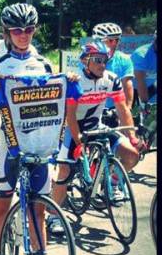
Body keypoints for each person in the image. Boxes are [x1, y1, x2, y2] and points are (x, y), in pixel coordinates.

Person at [0, 3, 81, 255]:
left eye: (28, 29)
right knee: (1, 206)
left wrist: (72, 80)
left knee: (37, 210)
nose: (23, 35)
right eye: (17, 30)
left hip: (38, 144)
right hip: (9, 145)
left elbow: (58, 99)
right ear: (7, 32)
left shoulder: (44, 63)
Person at [49, 40, 139, 232]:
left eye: (104, 60)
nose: (101, 64)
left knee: (132, 154)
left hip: (96, 125)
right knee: (64, 171)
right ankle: (54, 216)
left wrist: (131, 136)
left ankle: (111, 185)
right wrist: (78, 141)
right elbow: (70, 116)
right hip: (72, 128)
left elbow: (122, 109)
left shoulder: (112, 79)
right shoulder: (76, 81)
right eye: (97, 60)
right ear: (85, 61)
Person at [92, 22, 134, 109]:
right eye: (110, 40)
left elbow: (127, 84)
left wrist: (127, 108)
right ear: (97, 42)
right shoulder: (87, 59)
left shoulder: (124, 59)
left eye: (117, 40)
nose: (114, 43)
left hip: (114, 108)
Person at [131, 30, 157, 146]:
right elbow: (140, 83)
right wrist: (145, 105)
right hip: (133, 86)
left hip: (152, 84)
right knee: (138, 111)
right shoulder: (141, 54)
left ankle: (150, 132)